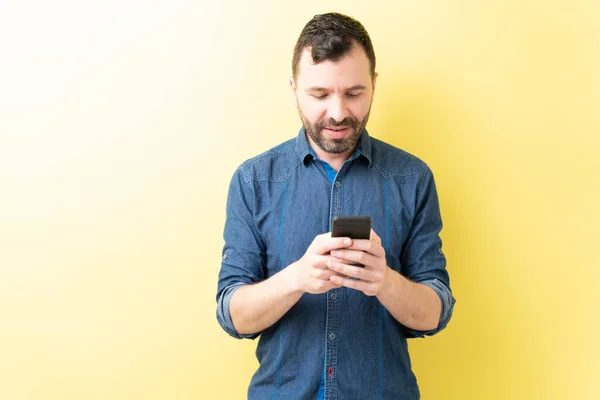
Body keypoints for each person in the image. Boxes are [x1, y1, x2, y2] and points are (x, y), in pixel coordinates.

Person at [216, 12, 455, 400]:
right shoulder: (253, 181)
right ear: (294, 89)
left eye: (354, 93)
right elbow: (233, 317)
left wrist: (385, 282)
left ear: (374, 86)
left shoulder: (412, 179)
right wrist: (296, 278)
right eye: (320, 94)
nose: (339, 112)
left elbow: (434, 313)